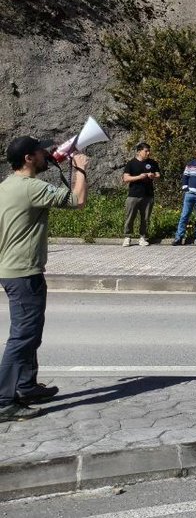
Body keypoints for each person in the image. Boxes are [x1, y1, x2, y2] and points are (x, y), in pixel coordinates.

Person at [1, 136, 89, 421]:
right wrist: (80, 168)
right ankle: (4, 400)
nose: (45, 154)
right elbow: (78, 201)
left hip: (12, 270)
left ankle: (26, 386)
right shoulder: (31, 188)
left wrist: (58, 160)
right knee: (23, 336)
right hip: (24, 273)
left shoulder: (8, 185)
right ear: (28, 158)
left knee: (30, 333)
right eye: (40, 151)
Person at [121, 142, 159, 247]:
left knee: (145, 218)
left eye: (149, 151)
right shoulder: (131, 163)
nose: (148, 153)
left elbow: (158, 175)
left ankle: (143, 237)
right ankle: (127, 237)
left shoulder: (152, 163)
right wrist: (139, 177)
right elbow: (126, 178)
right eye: (146, 151)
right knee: (130, 217)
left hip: (148, 195)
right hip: (133, 195)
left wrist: (153, 176)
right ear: (139, 152)